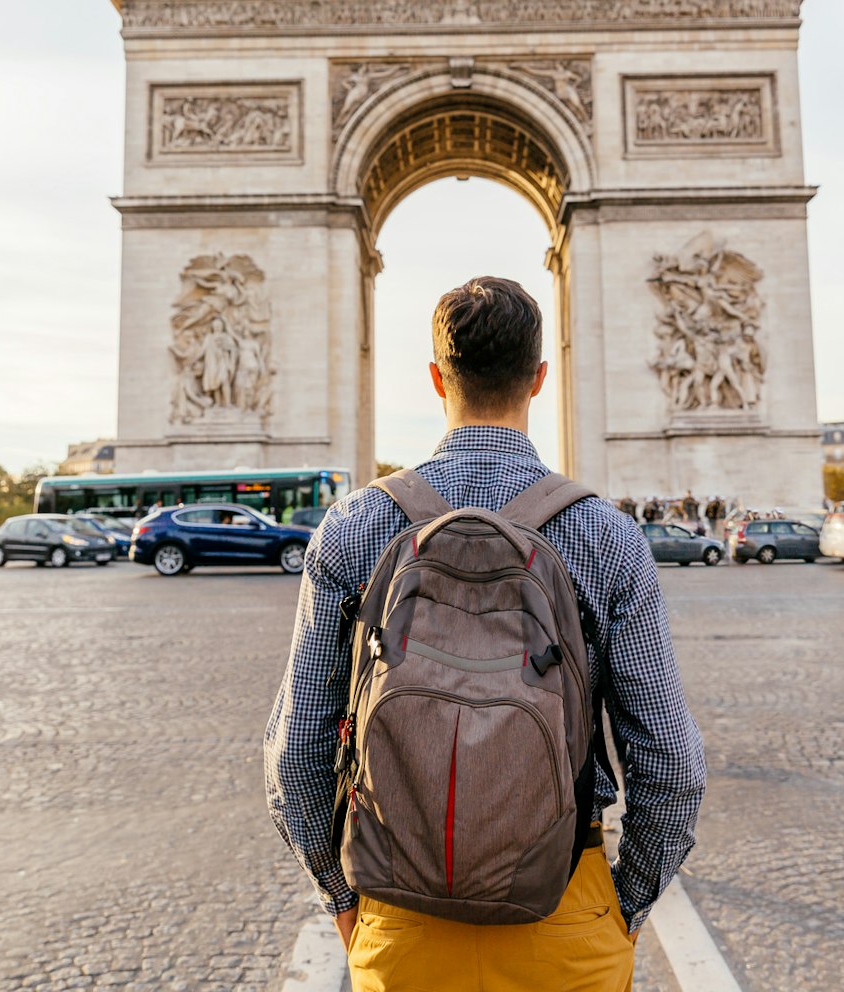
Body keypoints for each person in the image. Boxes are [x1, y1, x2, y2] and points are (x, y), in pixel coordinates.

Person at [265, 277, 706, 992]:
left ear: (437, 378)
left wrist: (344, 902)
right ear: (539, 377)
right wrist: (625, 908)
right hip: (563, 911)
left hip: (398, 916)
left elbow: (294, 760)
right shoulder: (607, 536)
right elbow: (672, 767)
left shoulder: (352, 528)